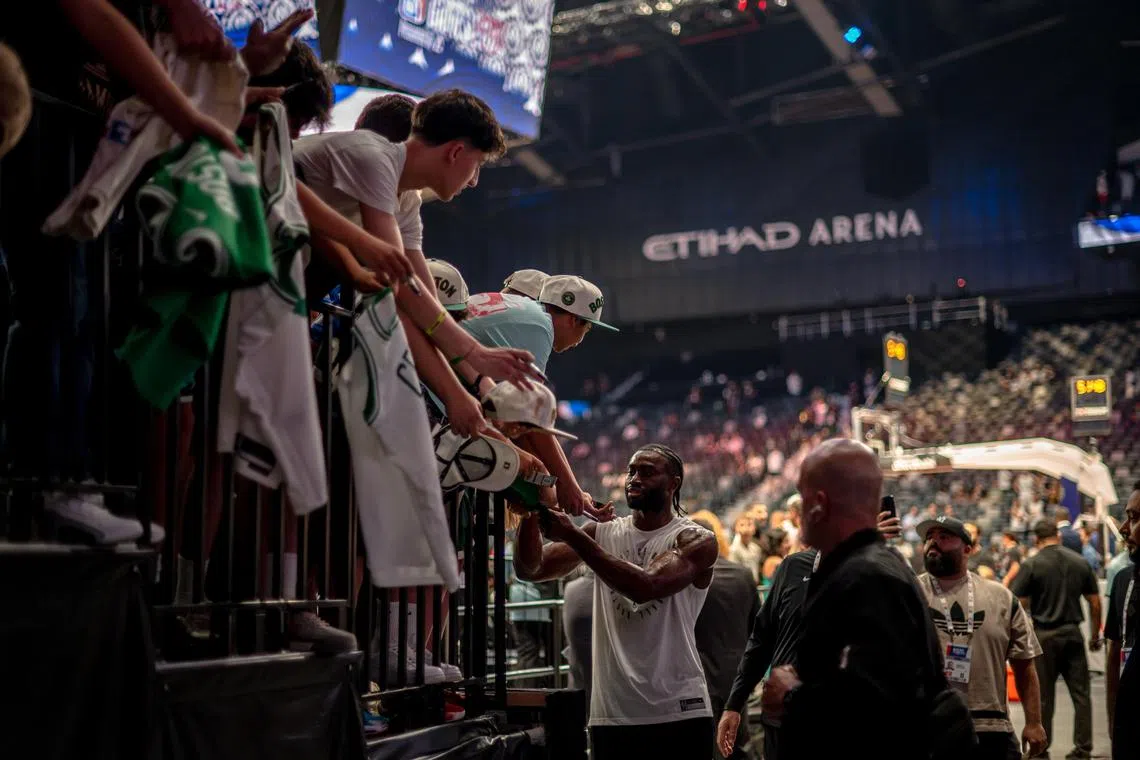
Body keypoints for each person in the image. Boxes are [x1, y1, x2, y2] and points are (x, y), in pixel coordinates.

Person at [756, 439, 968, 760]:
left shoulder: (868, 578)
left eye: (802, 497)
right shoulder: (862, 567)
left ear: (819, 504)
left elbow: (878, 710)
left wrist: (791, 695)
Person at [513, 444, 718, 759]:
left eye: (647, 472)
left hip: (679, 709)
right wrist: (530, 510)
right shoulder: (604, 531)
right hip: (612, 713)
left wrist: (573, 535)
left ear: (673, 483)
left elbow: (646, 585)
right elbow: (532, 568)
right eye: (632, 471)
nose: (634, 479)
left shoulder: (697, 539)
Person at [716, 506, 904, 760]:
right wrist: (734, 705)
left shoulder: (876, 571)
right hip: (782, 718)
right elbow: (762, 639)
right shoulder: (792, 567)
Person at [461, 274, 617, 517]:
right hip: (433, 399)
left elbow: (518, 421)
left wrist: (565, 483)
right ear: (573, 320)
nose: (580, 341)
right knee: (535, 486)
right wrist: (568, 486)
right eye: (586, 328)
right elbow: (531, 421)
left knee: (535, 475)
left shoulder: (521, 312)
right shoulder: (539, 324)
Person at [916, 516, 1047, 760]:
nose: (933, 543)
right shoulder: (909, 593)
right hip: (929, 725)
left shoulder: (1001, 598)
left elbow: (1024, 665)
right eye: (929, 538)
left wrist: (1034, 722)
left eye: (943, 537)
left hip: (992, 728)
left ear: (968, 548)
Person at [1011, 519, 1102, 760]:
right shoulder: (1079, 561)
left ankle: (1041, 751)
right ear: (1058, 536)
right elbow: (1095, 601)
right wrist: (1094, 635)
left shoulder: (1031, 564)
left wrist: (1025, 628)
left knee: (1044, 697)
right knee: (1081, 695)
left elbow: (1017, 601)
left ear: (1036, 539)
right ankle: (1083, 749)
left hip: (1044, 636)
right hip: (1072, 633)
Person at [690, 512, 759, 760]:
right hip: (737, 678)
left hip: (698, 682)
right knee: (740, 747)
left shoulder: (687, 579)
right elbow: (756, 629)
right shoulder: (743, 575)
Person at [1106, 483, 1140, 755]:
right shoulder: (1122, 580)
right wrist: (1113, 720)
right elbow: (1114, 649)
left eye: (1135, 517)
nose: (1123, 528)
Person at [728, 514, 763, 585]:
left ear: (754, 528)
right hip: (741, 584)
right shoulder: (733, 549)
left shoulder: (756, 548)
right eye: (742, 525)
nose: (746, 528)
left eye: (749, 524)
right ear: (735, 529)